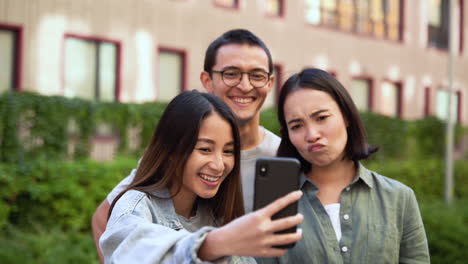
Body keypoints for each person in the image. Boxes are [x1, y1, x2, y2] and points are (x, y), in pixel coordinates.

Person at [92, 29, 280, 262]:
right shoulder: (145, 199)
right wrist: (210, 244)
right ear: (207, 80)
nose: (244, 85)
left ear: (270, 82)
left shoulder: (284, 156)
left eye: (257, 75)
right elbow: (114, 227)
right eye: (231, 74)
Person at [99, 90, 303, 263]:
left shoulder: (219, 215)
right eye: (205, 149)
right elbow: (132, 253)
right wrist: (211, 244)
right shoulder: (135, 206)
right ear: (171, 149)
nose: (218, 165)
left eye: (228, 151)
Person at [257, 68, 430, 263]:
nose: (312, 134)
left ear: (346, 115)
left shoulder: (398, 198)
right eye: (297, 126)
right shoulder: (276, 204)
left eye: (321, 118)